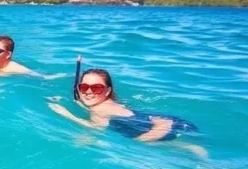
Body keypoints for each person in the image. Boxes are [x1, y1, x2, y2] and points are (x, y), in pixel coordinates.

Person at [48, 64, 208, 158]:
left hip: (159, 127)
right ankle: (193, 148)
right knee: (179, 144)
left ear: (107, 90)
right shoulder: (109, 103)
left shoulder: (99, 110)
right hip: (167, 121)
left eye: (96, 88)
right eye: (84, 87)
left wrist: (66, 114)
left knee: (143, 142)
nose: (88, 92)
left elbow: (96, 128)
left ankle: (199, 155)